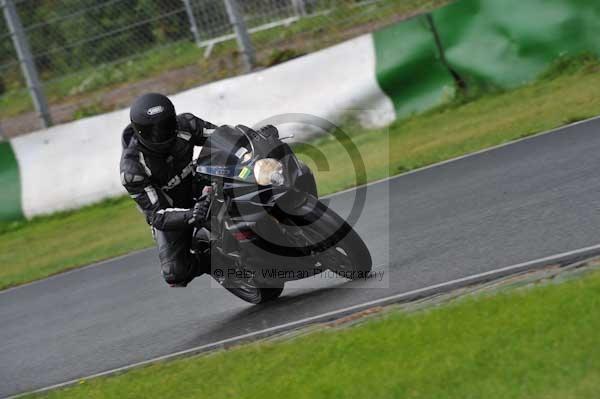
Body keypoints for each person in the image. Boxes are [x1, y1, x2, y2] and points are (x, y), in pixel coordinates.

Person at [120, 93, 216, 287]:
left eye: (165, 126)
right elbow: (157, 215)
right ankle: (214, 262)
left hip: (200, 182)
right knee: (174, 273)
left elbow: (224, 136)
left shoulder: (186, 124)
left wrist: (253, 137)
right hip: (172, 212)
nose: (161, 134)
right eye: (152, 131)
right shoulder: (132, 170)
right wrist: (191, 214)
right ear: (139, 132)